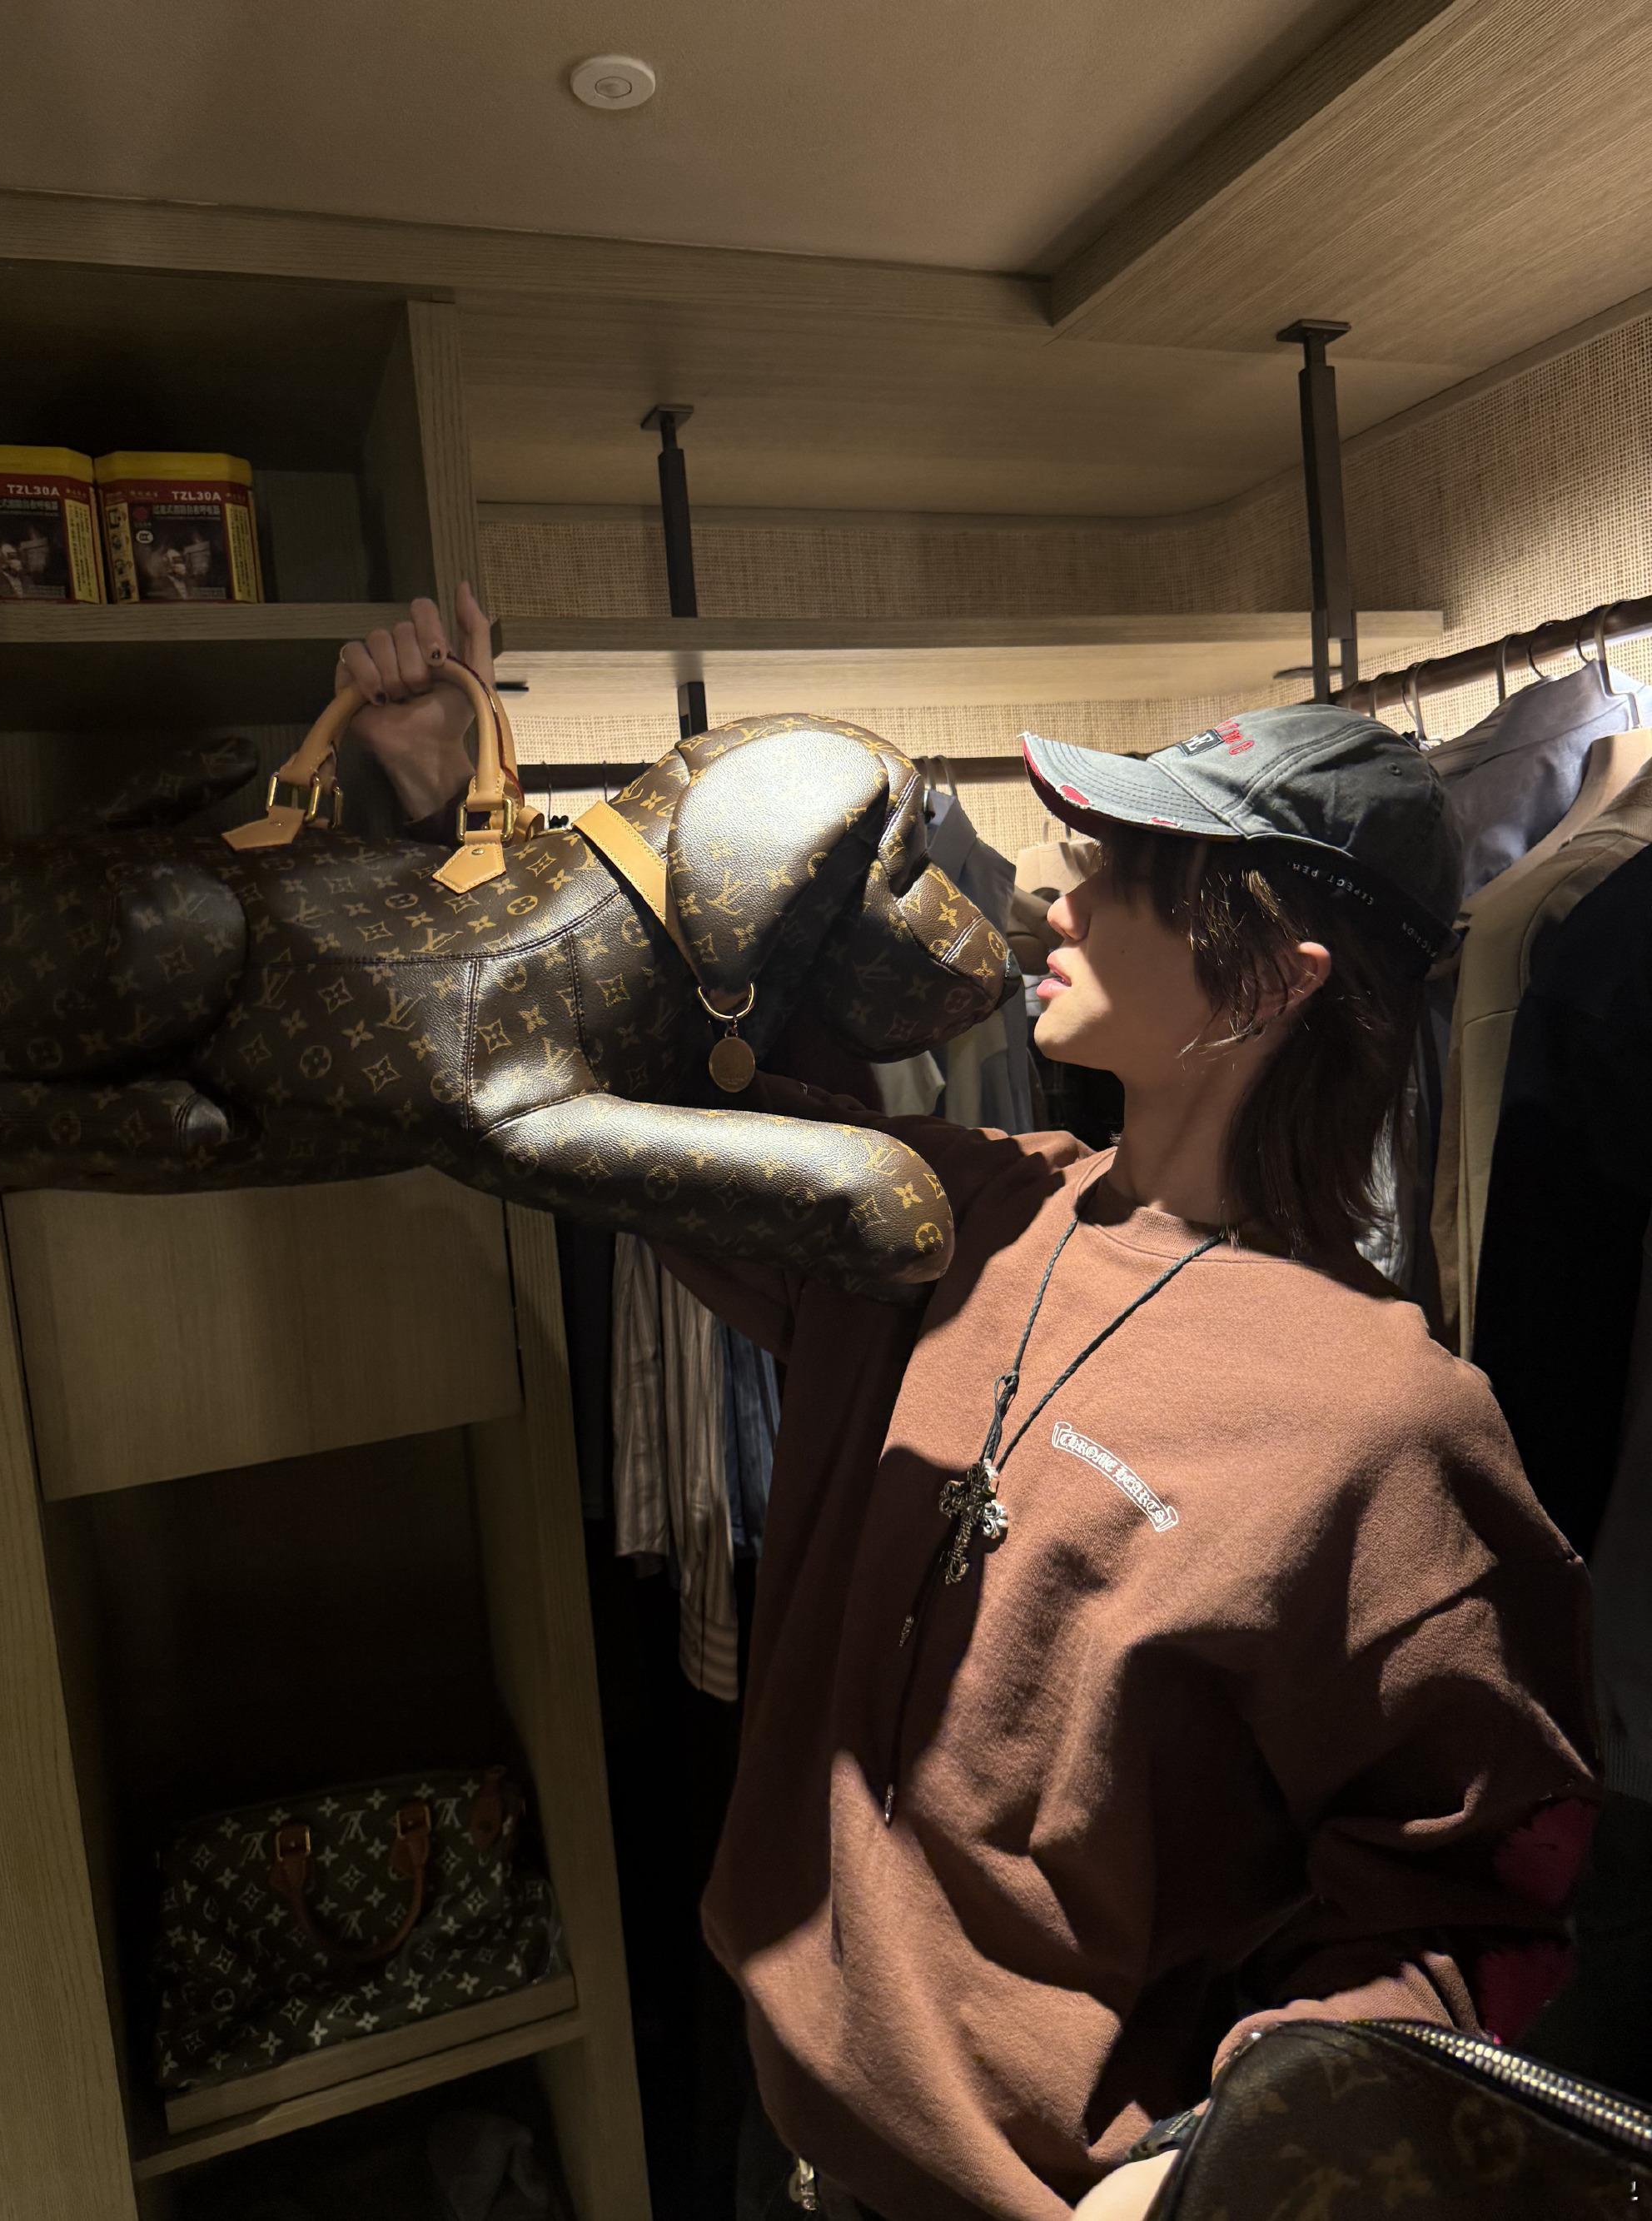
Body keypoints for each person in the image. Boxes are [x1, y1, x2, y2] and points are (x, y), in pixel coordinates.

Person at [349, 595, 1597, 2221]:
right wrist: (446, 806)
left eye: (1134, 869)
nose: (1062, 893)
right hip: (785, 2143)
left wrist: (1208, 2165)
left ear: (1271, 982)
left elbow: (1470, 1909)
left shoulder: (1385, 1422)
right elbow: (602, 1087)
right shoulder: (931, 1207)